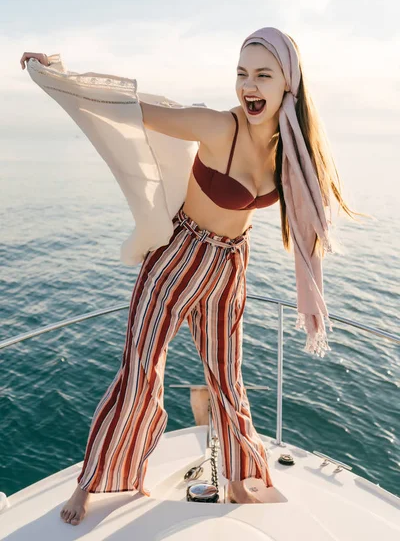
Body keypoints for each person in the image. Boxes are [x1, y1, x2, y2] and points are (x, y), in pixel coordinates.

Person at [19, 26, 364, 525]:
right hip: (178, 257)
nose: (249, 85)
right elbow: (128, 109)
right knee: (140, 376)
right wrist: (57, 71)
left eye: (263, 75)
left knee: (228, 381)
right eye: (242, 73)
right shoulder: (217, 127)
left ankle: (247, 478)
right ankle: (93, 481)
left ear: (288, 83)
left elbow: (312, 211)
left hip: (229, 266)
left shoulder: (291, 149)